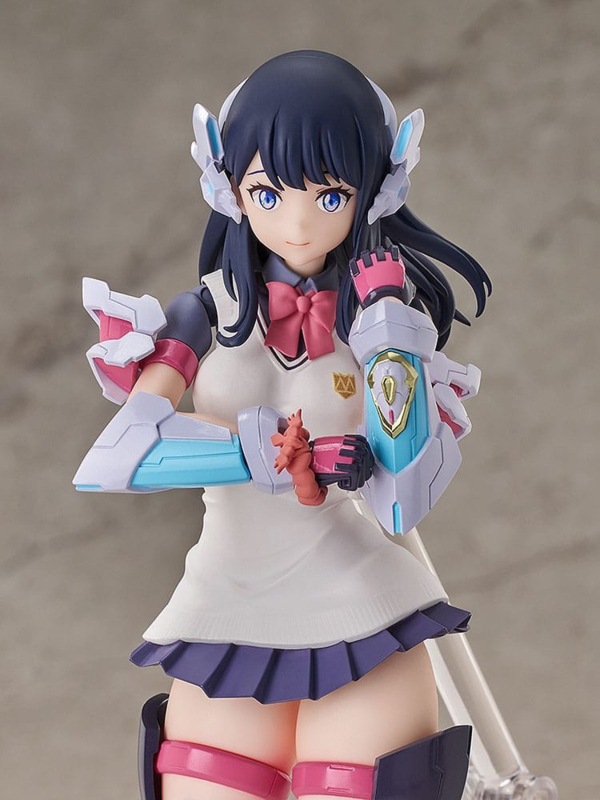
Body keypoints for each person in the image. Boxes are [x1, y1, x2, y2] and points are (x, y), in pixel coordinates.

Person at [76, 50, 491, 800]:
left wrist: (390, 333)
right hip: (224, 608)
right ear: (229, 185)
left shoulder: (379, 320)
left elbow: (403, 498)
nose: (298, 223)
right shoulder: (203, 313)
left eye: (330, 195)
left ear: (376, 189)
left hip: (361, 609)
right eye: (268, 191)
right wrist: (270, 455)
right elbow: (122, 455)